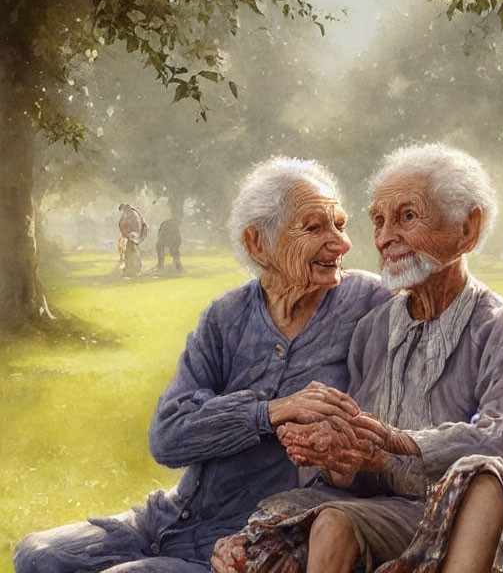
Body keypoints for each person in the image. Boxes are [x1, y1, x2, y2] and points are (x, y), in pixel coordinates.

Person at [212, 144, 503, 573]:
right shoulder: (372, 331)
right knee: (332, 522)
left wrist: (400, 441)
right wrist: (342, 458)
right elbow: (367, 468)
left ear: (467, 229)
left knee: (484, 479)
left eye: (407, 217)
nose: (383, 238)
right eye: (379, 221)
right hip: (409, 510)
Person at [14, 158, 390, 573]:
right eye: (315, 228)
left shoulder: (367, 304)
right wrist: (268, 412)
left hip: (243, 542)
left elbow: (368, 456)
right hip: (170, 516)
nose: (341, 243)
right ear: (257, 243)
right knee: (35, 554)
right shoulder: (226, 315)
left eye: (340, 224)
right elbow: (167, 437)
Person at [118, 203, 148, 276]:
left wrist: (128, 236)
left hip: (134, 234)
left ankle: (130, 268)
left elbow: (124, 226)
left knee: (129, 250)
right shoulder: (132, 212)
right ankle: (132, 267)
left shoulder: (130, 214)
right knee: (130, 250)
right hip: (137, 234)